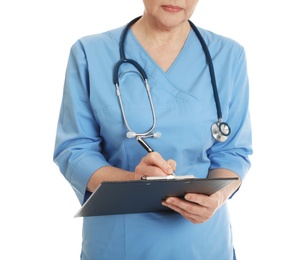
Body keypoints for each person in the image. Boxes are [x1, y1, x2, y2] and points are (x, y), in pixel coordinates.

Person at [53, 1, 252, 259]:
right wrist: (134, 183)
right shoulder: (90, 53)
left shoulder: (228, 56)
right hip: (120, 243)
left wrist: (216, 197)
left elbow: (233, 153)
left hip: (202, 245)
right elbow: (75, 150)